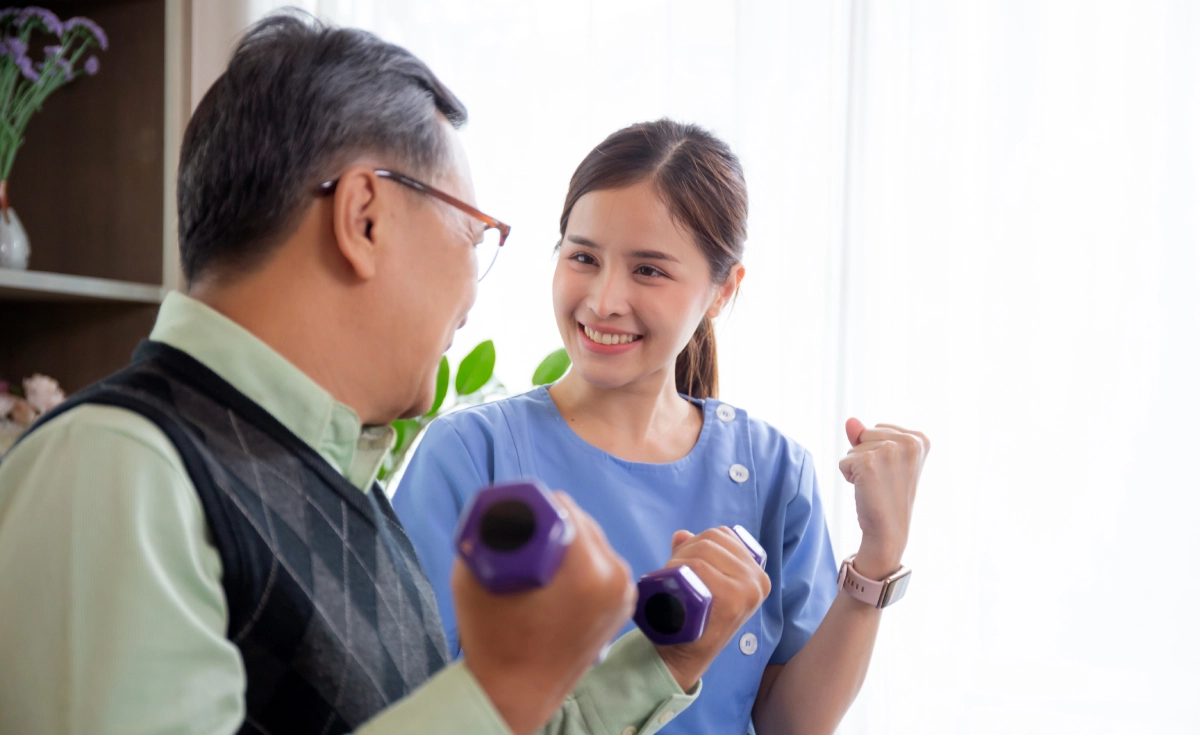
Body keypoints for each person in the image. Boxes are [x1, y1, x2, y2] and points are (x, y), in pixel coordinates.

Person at [0, 17, 769, 735]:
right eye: (472, 234)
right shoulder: (117, 467)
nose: (473, 296)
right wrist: (499, 685)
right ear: (364, 215)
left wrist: (660, 661)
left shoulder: (341, 484)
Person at [394, 119, 931, 734]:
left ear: (722, 291)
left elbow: (791, 726)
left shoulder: (774, 471)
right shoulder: (469, 455)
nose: (603, 300)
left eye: (648, 270)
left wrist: (877, 560)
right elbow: (410, 708)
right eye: (583, 257)